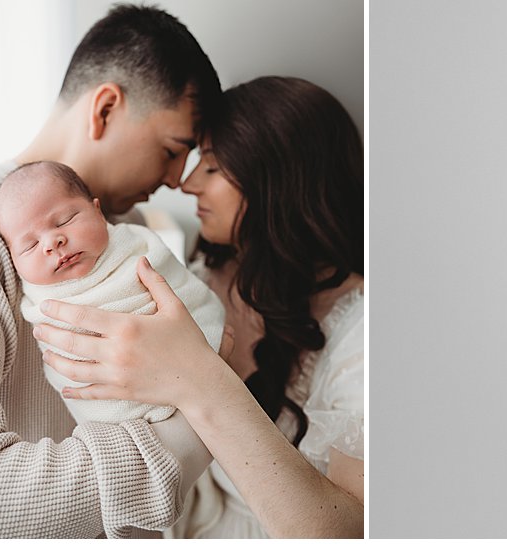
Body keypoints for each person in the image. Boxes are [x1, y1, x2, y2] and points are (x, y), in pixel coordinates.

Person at [0, 4, 219, 538]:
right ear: (105, 109)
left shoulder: (133, 230)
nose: (174, 180)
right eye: (172, 150)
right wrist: (205, 419)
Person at [34, 74, 365, 539]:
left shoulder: (365, 334)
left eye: (210, 166)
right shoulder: (197, 277)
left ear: (277, 181)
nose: (186, 183)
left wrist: (199, 378)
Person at [0, 161, 225, 424]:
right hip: (125, 420)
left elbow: (187, 296)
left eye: (64, 220)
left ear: (98, 212)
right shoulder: (39, 301)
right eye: (30, 245)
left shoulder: (135, 246)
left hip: (198, 376)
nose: (51, 242)